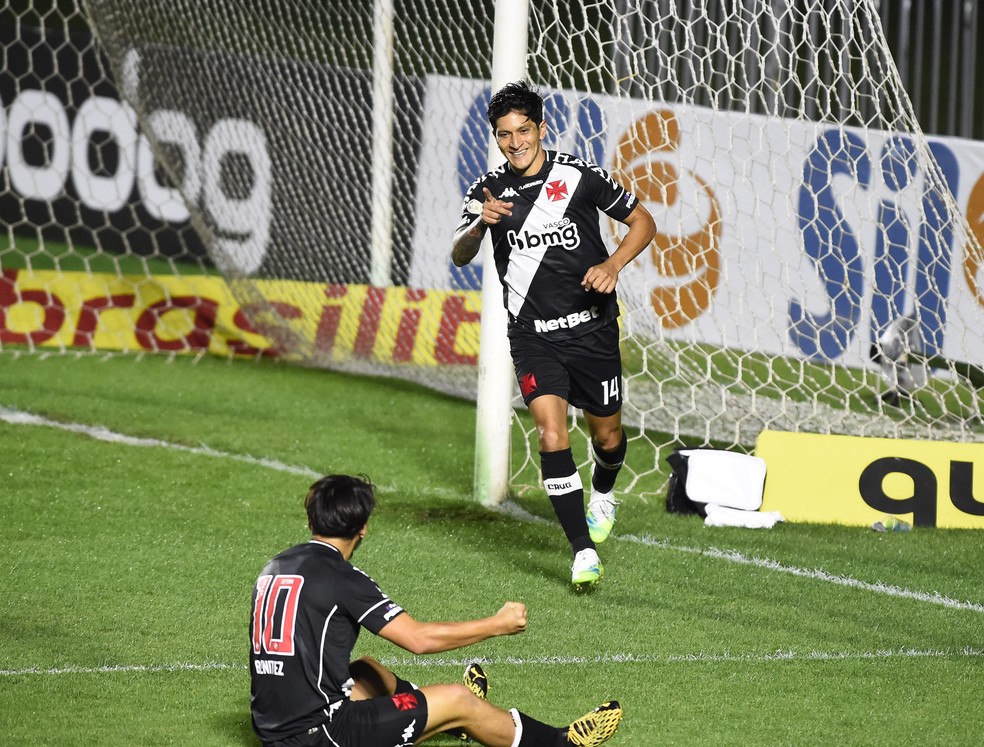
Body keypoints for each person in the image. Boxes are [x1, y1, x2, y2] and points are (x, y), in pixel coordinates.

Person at [451, 80, 657, 590]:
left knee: (607, 437)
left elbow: (643, 222)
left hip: (592, 329)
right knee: (550, 432)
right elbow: (459, 252)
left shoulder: (580, 176)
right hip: (532, 335)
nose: (515, 141)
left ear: (541, 128)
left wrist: (612, 264)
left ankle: (605, 491)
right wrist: (479, 224)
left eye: (524, 130)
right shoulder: (486, 191)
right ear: (495, 138)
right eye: (504, 134)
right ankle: (582, 552)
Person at [249, 473, 623, 746]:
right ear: (362, 528)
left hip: (274, 727)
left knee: (367, 670)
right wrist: (497, 624)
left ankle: (455, 723)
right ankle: (560, 742)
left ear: (311, 519)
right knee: (459, 698)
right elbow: (418, 639)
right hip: (322, 733)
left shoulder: (276, 565)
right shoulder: (343, 578)